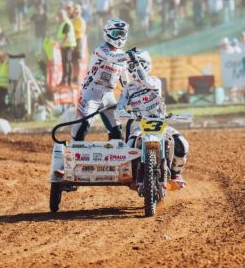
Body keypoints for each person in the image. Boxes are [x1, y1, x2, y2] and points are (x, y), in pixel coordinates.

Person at [115, 49, 189, 190]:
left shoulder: (155, 81)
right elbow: (120, 107)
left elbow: (146, 81)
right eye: (130, 66)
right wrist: (123, 114)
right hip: (139, 124)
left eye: (135, 65)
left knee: (182, 144)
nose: (132, 69)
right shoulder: (128, 88)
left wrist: (136, 62)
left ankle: (176, 174)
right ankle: (133, 175)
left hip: (159, 123)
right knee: (129, 147)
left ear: (144, 65)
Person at [71, 18, 132, 141]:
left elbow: (125, 80)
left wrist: (129, 95)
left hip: (108, 95)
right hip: (91, 92)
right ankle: (73, 148)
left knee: (117, 133)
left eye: (122, 34)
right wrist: (129, 56)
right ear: (107, 33)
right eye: (116, 34)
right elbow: (111, 57)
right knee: (81, 128)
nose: (119, 38)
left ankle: (113, 151)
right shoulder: (101, 49)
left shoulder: (122, 55)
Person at [56, 9, 77, 87]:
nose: (60, 17)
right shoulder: (63, 23)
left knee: (67, 63)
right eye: (59, 15)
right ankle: (65, 81)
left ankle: (68, 81)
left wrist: (61, 44)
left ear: (65, 15)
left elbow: (67, 36)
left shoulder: (66, 23)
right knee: (66, 63)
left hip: (67, 46)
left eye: (61, 15)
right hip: (65, 46)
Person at [71, 4, 86, 84]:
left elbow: (78, 30)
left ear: (80, 11)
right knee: (73, 61)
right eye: (74, 10)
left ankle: (77, 77)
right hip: (72, 41)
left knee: (77, 60)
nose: (75, 12)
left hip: (78, 40)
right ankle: (74, 77)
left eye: (77, 10)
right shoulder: (72, 21)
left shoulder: (81, 21)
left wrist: (71, 29)